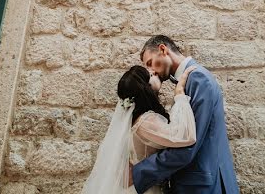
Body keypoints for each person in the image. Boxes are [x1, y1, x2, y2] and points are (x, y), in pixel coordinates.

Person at [131, 35, 240, 194]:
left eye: (150, 63)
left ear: (163, 49)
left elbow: (188, 144)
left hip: (205, 186)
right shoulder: (188, 80)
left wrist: (140, 172)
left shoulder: (198, 78)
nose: (151, 71)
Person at [82, 63, 198, 194]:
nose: (154, 72)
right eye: (149, 74)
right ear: (144, 87)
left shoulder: (139, 118)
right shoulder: (145, 121)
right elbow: (184, 136)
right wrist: (180, 94)